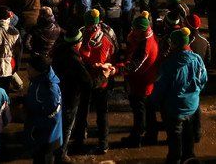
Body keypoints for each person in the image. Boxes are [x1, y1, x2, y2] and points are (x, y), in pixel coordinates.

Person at [151, 27, 208, 164]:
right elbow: (203, 79)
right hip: (192, 106)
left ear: (175, 44)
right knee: (189, 135)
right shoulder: (197, 59)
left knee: (175, 137)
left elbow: (160, 87)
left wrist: (154, 101)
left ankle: (174, 159)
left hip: (174, 108)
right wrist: (194, 94)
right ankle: (189, 157)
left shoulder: (169, 64)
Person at [73, 10, 117, 155]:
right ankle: (103, 143)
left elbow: (80, 56)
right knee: (101, 112)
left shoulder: (81, 36)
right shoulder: (108, 35)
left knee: (83, 110)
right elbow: (114, 52)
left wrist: (93, 65)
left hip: (87, 80)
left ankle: (80, 139)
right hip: (102, 79)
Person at [52, 29, 91, 163]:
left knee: (60, 122)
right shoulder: (74, 59)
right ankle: (61, 154)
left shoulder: (59, 50)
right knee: (67, 126)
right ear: (76, 44)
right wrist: (103, 76)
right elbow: (88, 82)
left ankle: (56, 148)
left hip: (58, 92)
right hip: (71, 96)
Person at [121, 12, 160, 147]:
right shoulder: (150, 35)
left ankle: (136, 138)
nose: (132, 31)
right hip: (148, 80)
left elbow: (134, 66)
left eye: (135, 29)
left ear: (141, 30)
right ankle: (151, 136)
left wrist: (117, 69)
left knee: (140, 113)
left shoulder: (145, 46)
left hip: (141, 83)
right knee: (149, 111)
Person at [24, 53, 63, 164]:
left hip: (48, 137)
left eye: (29, 68)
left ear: (37, 70)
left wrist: (32, 122)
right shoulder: (38, 80)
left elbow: (52, 117)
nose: (27, 70)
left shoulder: (50, 89)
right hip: (41, 136)